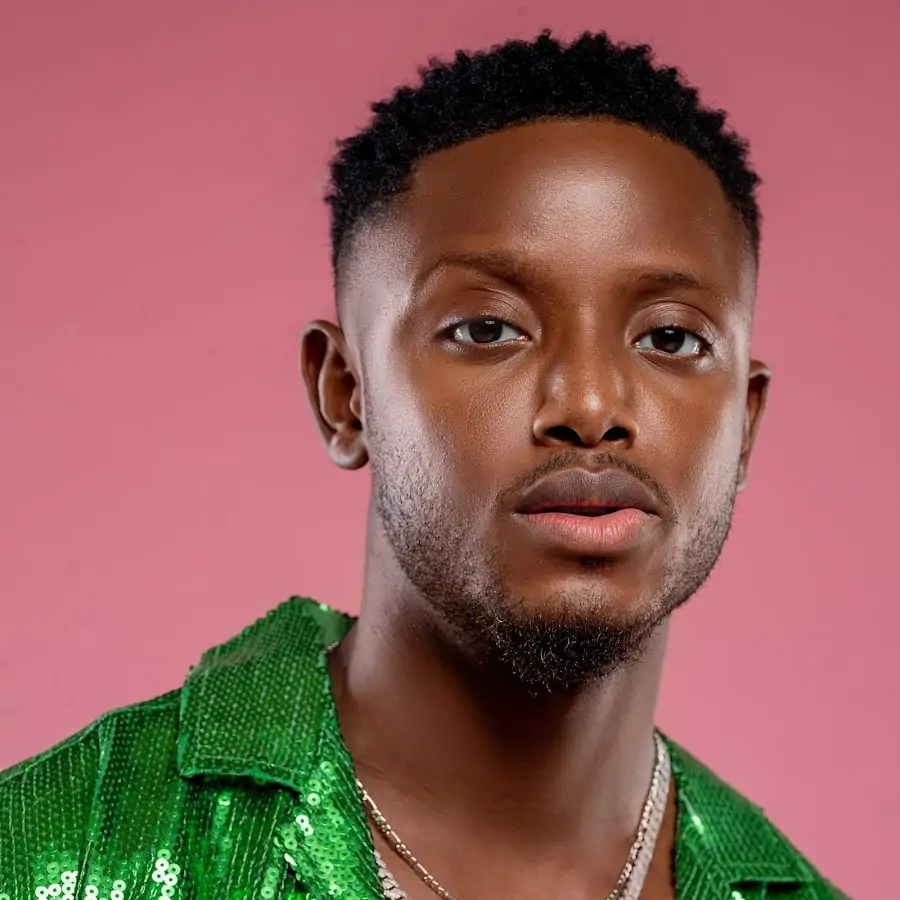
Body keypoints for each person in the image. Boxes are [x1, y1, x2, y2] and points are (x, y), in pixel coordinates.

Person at [0, 29, 845, 900]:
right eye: (488, 328)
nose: (591, 406)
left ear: (744, 424)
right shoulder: (53, 857)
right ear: (345, 394)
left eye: (670, 338)